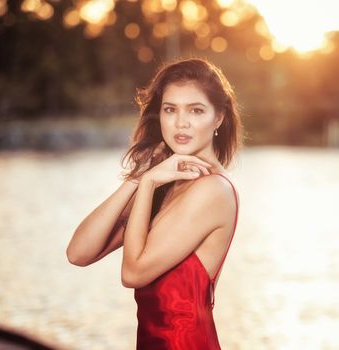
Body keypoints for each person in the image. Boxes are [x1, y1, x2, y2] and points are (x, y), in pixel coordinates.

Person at [66, 57, 243, 349]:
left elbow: (133, 273)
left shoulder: (213, 190)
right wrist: (139, 177)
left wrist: (148, 183)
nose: (180, 122)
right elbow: (78, 253)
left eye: (196, 110)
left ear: (218, 118)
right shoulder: (165, 184)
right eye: (170, 109)